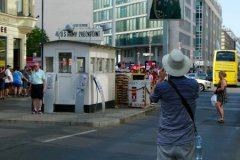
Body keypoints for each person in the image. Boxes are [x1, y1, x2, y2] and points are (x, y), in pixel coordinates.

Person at [150, 49, 199, 160]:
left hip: (165, 140)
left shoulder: (162, 87)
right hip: (186, 140)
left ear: (167, 68)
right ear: (184, 68)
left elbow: (152, 99)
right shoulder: (194, 85)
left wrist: (160, 79)